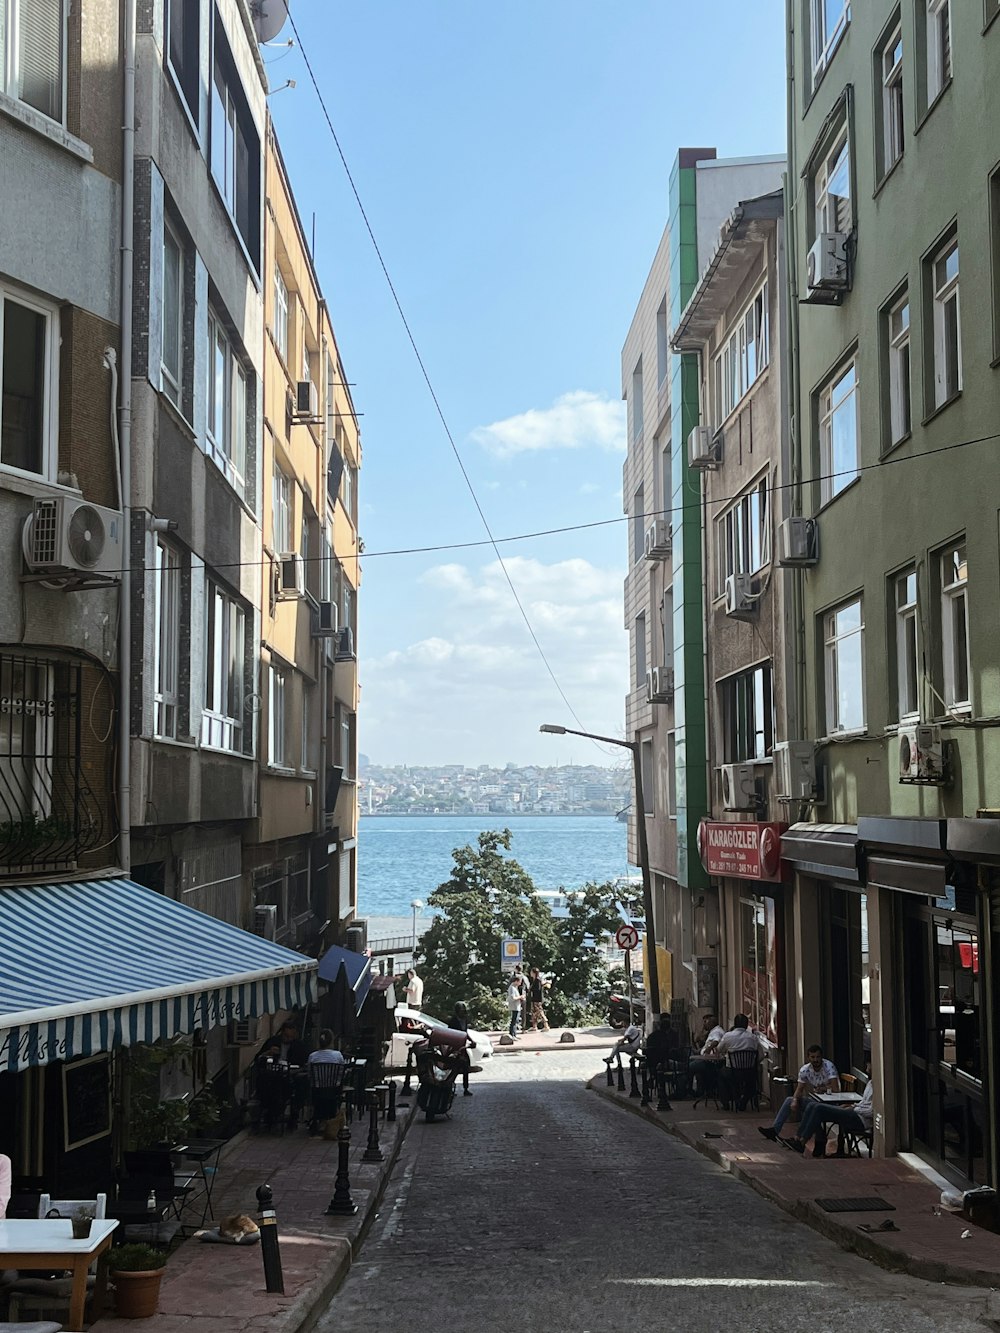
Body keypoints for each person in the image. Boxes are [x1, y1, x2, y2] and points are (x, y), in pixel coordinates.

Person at [759, 1045, 839, 1142]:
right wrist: (795, 1100)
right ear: (808, 1058)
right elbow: (799, 1088)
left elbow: (835, 1089)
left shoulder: (828, 1066)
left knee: (811, 1107)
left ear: (822, 1057)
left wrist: (822, 1089)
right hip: (815, 1100)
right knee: (790, 1100)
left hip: (829, 1102)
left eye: (818, 1057)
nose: (815, 1060)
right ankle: (775, 1130)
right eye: (812, 1057)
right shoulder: (805, 1070)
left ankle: (800, 1138)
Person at [788, 1069, 874, 1158]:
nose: (867, 1069)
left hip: (860, 1119)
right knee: (812, 1105)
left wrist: (854, 1108)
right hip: (853, 1111)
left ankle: (803, 1141)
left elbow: (871, 1111)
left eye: (869, 1066)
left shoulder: (878, 1087)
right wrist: (852, 1105)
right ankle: (797, 1137)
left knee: (819, 1108)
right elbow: (863, 1103)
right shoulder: (870, 1083)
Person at [447, 1001, 474, 1095]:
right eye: (461, 1011)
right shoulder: (453, 1021)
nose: (463, 1013)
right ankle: (449, 1087)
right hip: (455, 1048)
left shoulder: (465, 1020)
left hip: (463, 1047)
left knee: (465, 1068)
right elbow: (450, 1034)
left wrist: (471, 1041)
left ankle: (466, 1088)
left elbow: (465, 1033)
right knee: (454, 1069)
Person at [527, 967, 549, 1032]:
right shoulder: (534, 980)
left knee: (540, 1012)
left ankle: (546, 1026)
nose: (530, 973)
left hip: (537, 999)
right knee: (534, 1013)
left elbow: (538, 989)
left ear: (534, 973)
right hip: (534, 998)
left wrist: (530, 989)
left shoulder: (537, 980)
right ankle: (534, 1026)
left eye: (531, 972)